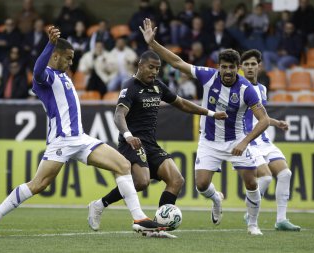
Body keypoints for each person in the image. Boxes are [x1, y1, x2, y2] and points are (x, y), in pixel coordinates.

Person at [0, 26, 167, 238]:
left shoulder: (65, 77)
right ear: (55, 56)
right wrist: (49, 44)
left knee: (123, 165)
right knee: (38, 184)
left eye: (72, 59)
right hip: (62, 141)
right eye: (67, 59)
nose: (70, 63)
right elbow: (38, 70)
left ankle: (139, 218)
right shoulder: (46, 77)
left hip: (81, 139)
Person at [140, 18, 270, 236]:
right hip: (209, 140)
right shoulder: (208, 76)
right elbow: (178, 62)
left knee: (251, 181)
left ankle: (253, 224)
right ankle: (216, 199)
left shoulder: (247, 89)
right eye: (223, 67)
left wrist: (245, 141)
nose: (227, 71)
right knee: (201, 185)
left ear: (237, 69)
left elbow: (264, 120)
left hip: (236, 139)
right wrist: (153, 44)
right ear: (218, 66)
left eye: (231, 68)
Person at [87, 49, 228, 232]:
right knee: (141, 182)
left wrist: (210, 113)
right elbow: (119, 115)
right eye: (151, 67)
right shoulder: (130, 86)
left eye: (157, 68)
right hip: (132, 143)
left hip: (151, 145)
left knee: (176, 180)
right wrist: (128, 135)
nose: (154, 72)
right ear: (140, 65)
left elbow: (182, 103)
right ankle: (99, 205)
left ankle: (159, 224)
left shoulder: (157, 86)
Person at [240, 49, 301, 231]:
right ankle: (250, 211)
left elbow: (261, 116)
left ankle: (281, 220)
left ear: (259, 66)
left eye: (253, 64)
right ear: (241, 67)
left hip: (264, 141)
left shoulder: (262, 88)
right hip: (249, 141)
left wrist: (276, 123)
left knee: (285, 174)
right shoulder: (237, 87)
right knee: (265, 178)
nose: (250, 67)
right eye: (247, 64)